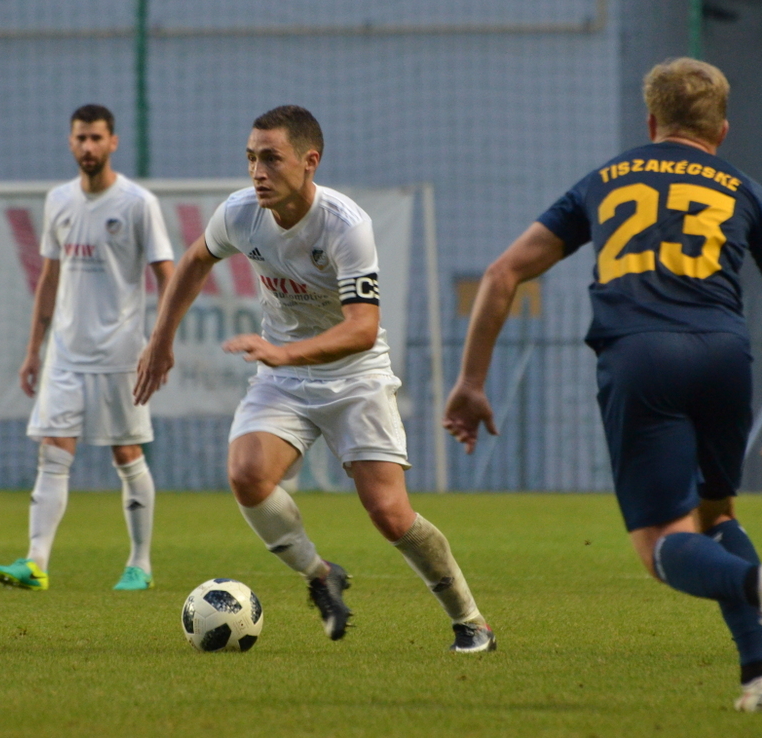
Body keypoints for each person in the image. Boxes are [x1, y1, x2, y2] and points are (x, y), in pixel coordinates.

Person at [444, 58, 762, 709]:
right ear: (722, 130)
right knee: (716, 514)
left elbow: (504, 272)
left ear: (651, 122)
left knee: (661, 550)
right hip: (724, 355)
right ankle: (757, 677)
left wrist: (472, 380)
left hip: (642, 357)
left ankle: (758, 582)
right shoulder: (743, 187)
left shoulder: (606, 180)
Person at [135, 105, 494, 652]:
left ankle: (472, 623)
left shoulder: (346, 225)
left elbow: (362, 328)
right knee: (247, 474)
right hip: (285, 376)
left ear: (310, 161)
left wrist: (286, 352)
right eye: (251, 158)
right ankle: (321, 575)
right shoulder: (239, 214)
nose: (258, 171)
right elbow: (192, 261)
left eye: (271, 159)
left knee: (390, 515)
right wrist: (160, 342)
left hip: (355, 377)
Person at [0, 104, 175, 593]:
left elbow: (169, 276)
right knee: (53, 454)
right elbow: (49, 277)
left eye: (97, 138)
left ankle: (140, 564)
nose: (88, 147)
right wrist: (34, 350)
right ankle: (35, 563)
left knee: (127, 454)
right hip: (65, 355)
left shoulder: (138, 203)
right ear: (70, 143)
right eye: (80, 138)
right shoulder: (58, 201)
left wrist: (161, 341)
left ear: (113, 142)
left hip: (120, 355)